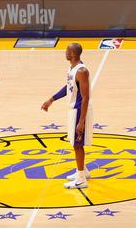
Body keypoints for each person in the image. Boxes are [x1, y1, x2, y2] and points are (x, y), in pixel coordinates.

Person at [41, 43, 93, 189]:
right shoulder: (72, 68)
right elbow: (69, 87)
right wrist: (51, 99)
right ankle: (82, 171)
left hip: (79, 110)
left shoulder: (82, 71)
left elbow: (85, 97)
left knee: (78, 144)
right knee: (75, 143)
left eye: (67, 51)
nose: (65, 53)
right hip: (73, 109)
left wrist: (81, 121)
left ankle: (81, 179)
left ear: (73, 54)